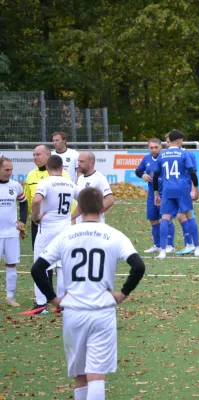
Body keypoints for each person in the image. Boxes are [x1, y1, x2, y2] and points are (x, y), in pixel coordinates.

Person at [30, 187, 146, 400]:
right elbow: (138, 266)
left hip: (73, 312)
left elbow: (37, 269)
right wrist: (122, 293)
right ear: (102, 208)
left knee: (80, 374)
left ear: (79, 208)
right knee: (97, 374)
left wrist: (53, 298)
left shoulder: (65, 235)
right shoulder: (114, 235)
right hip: (102, 311)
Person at [22, 155, 80, 315]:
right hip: (65, 228)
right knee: (62, 265)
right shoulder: (70, 183)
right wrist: (72, 216)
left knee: (40, 264)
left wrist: (35, 217)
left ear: (47, 168)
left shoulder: (45, 182)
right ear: (62, 168)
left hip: (47, 229)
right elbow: (84, 200)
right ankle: (62, 303)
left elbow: (36, 201)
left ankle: (41, 303)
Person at [153, 130, 199, 259]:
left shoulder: (162, 155)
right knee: (189, 215)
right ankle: (197, 247)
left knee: (165, 218)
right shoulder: (183, 153)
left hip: (167, 189)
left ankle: (163, 251)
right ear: (180, 140)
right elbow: (192, 172)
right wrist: (196, 189)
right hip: (182, 189)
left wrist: (156, 193)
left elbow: (155, 176)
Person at [134, 138, 174, 253]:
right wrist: (142, 175)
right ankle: (157, 245)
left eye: (156, 147)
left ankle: (170, 245)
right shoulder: (146, 159)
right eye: (151, 148)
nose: (154, 150)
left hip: (164, 192)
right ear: (148, 148)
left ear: (161, 147)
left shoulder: (165, 158)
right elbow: (138, 171)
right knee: (153, 219)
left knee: (167, 219)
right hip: (152, 193)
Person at [0, 157, 28, 307]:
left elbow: (24, 203)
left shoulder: (16, 186)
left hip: (11, 233)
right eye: (6, 170)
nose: (10, 173)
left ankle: (10, 296)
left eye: (11, 169)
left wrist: (22, 220)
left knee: (11, 265)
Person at [74, 152, 115, 223]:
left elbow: (109, 200)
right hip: (80, 224)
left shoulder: (99, 178)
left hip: (95, 224)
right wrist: (72, 218)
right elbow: (80, 203)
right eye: (78, 161)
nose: (78, 164)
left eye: (82, 161)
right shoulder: (80, 178)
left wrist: (94, 214)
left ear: (91, 163)